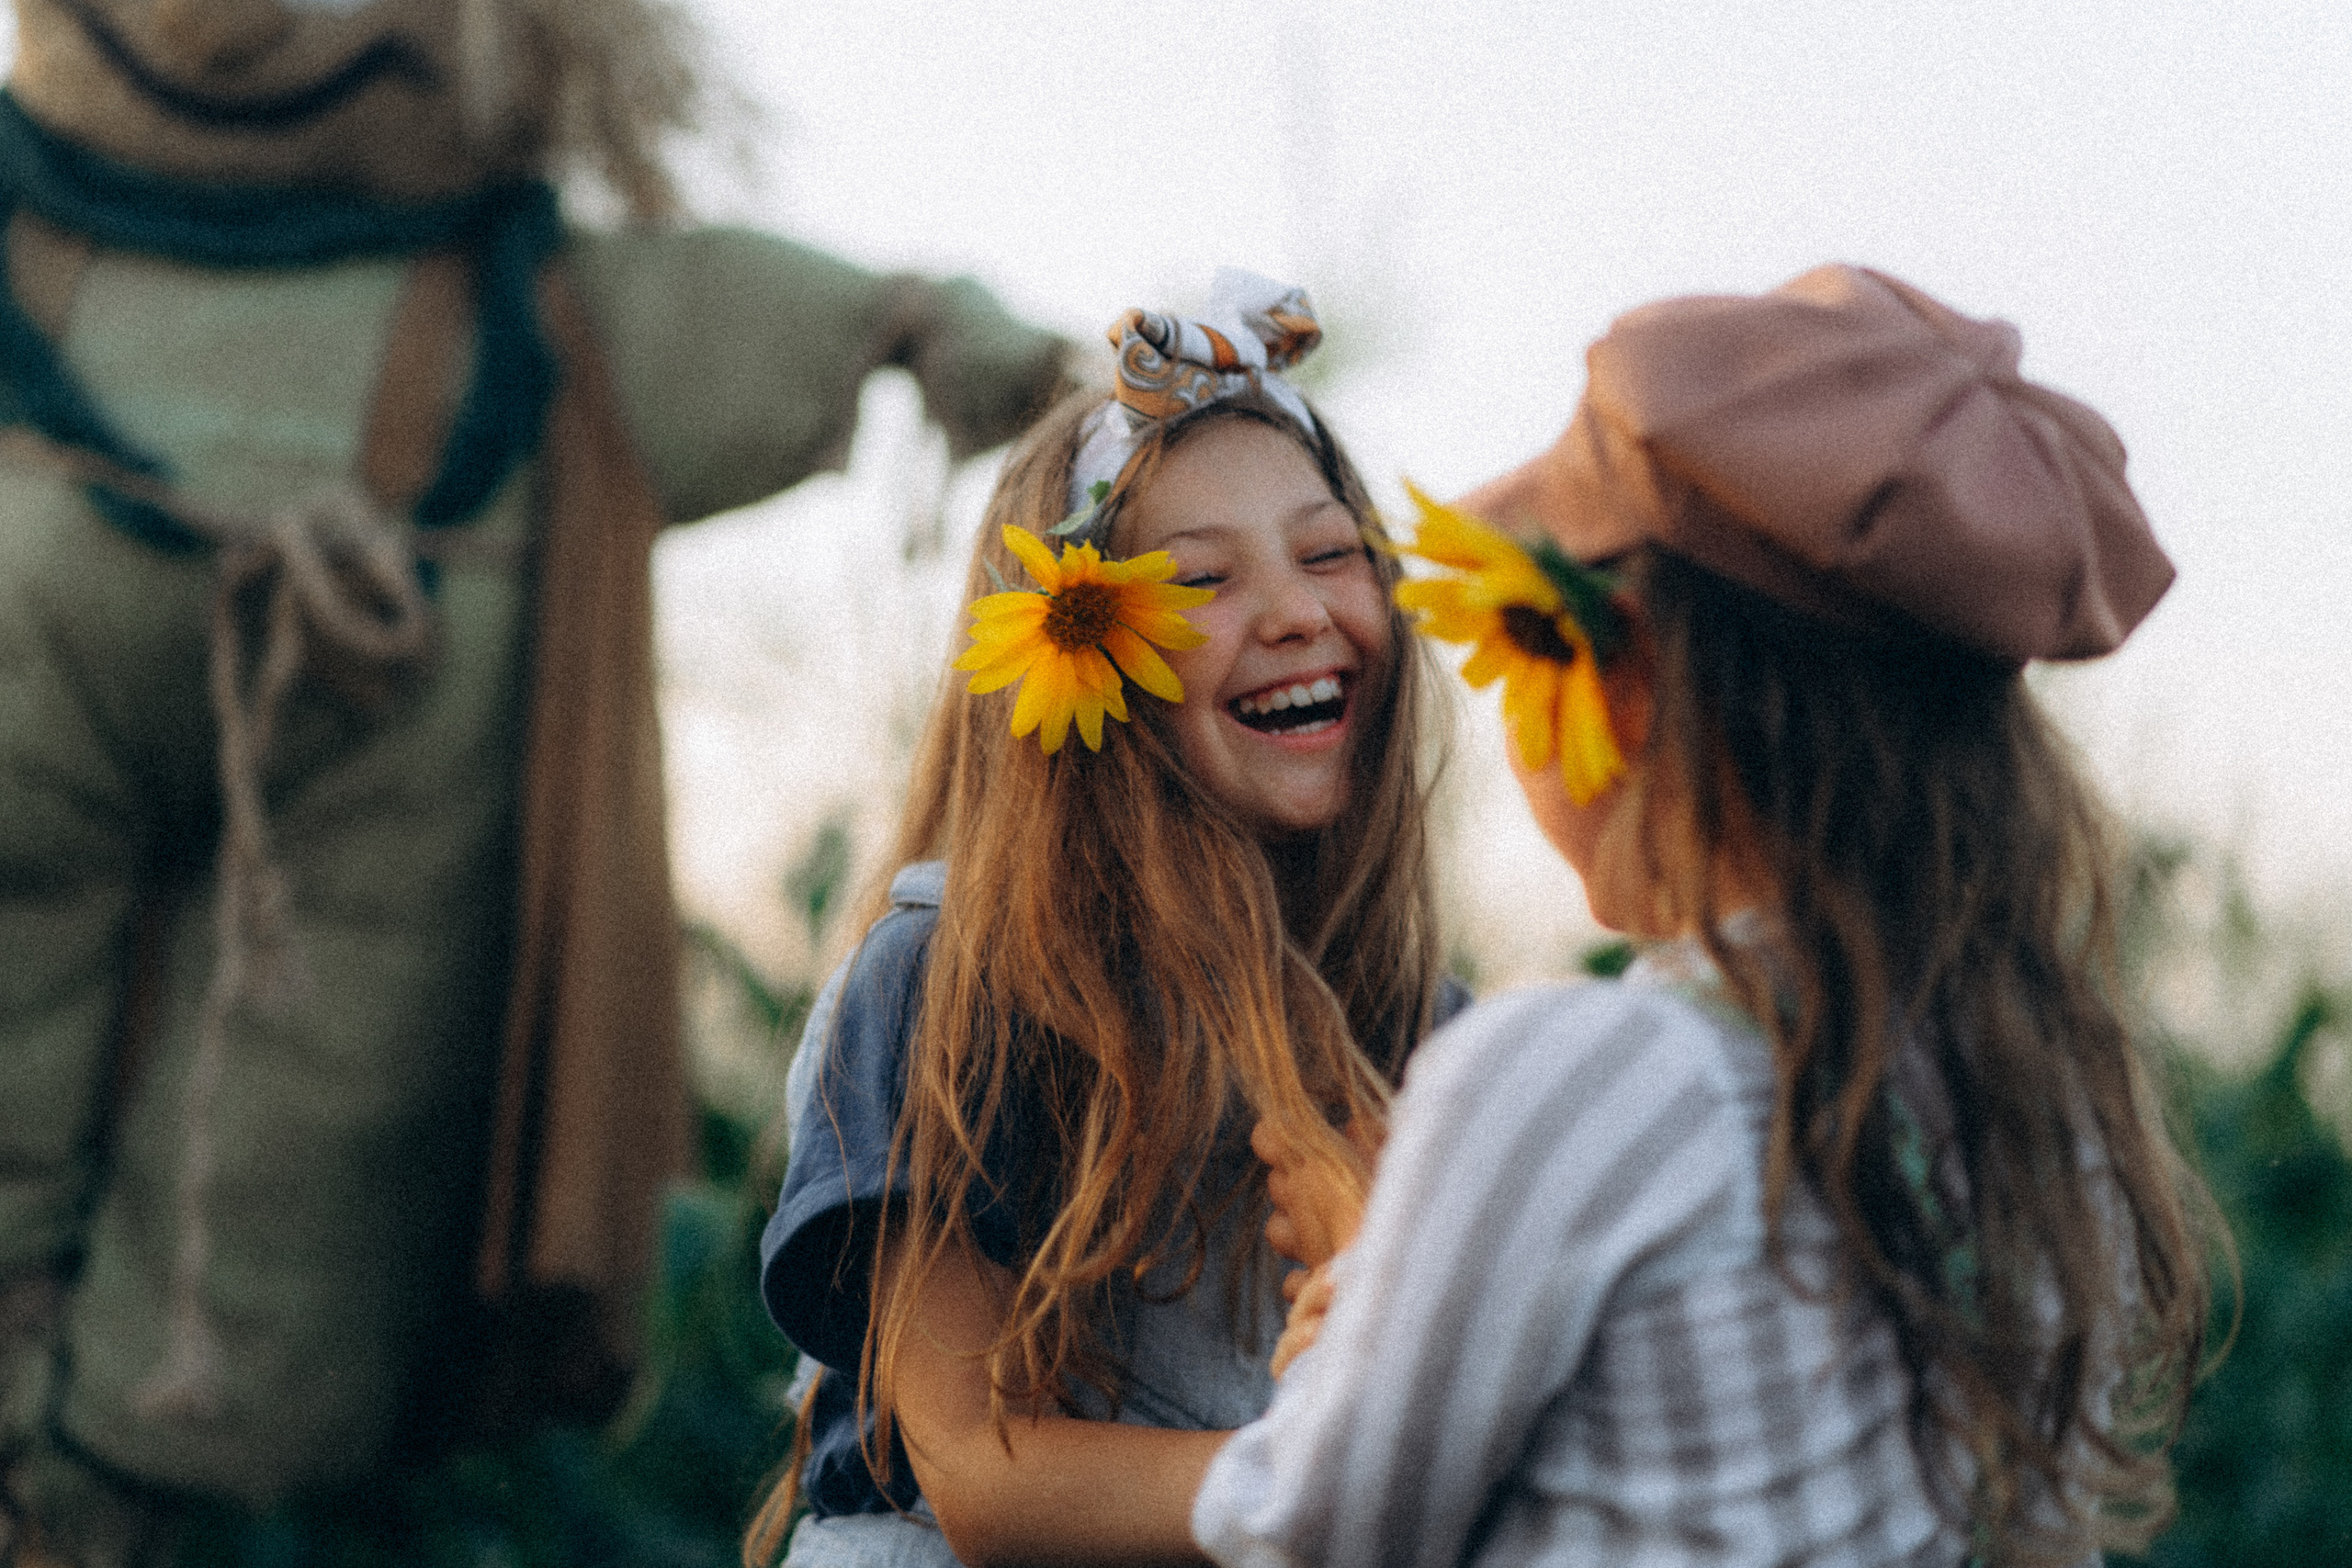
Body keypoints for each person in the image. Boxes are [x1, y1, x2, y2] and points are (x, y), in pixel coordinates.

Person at [0, 0, 1066, 1557]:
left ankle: (115, 1500)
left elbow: (716, 315)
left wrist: (927, 331)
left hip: (378, 788)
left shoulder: (530, 297)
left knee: (308, 1142)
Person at [1193, 265, 2219, 1568]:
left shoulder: (1587, 1080)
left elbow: (1301, 1530)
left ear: (1623, 677)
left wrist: (1369, 1281)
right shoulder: (2043, 1107)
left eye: (1523, 644)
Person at [751, 271, 1463, 1567]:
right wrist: (1333, 1474)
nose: (1298, 612)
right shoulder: (953, 980)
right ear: (1084, 655)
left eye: (1328, 553)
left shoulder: (1421, 1020)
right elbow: (981, 1472)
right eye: (1201, 581)